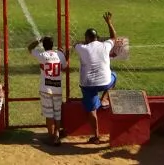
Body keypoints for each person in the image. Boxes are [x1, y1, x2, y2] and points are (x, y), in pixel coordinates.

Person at [74, 12, 118, 143]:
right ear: (97, 37)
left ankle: (96, 136)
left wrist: (84, 42)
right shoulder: (105, 45)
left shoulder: (82, 47)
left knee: (91, 110)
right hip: (105, 82)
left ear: (87, 38)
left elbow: (75, 43)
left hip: (87, 85)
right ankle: (104, 99)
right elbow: (114, 37)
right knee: (114, 76)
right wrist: (109, 22)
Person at [28, 36, 67, 145]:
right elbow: (65, 67)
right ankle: (57, 136)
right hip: (58, 88)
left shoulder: (42, 55)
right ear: (52, 44)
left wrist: (38, 40)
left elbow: (30, 48)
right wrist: (65, 56)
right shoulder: (60, 54)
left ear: (44, 45)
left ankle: (51, 137)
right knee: (57, 114)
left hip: (46, 89)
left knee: (49, 114)